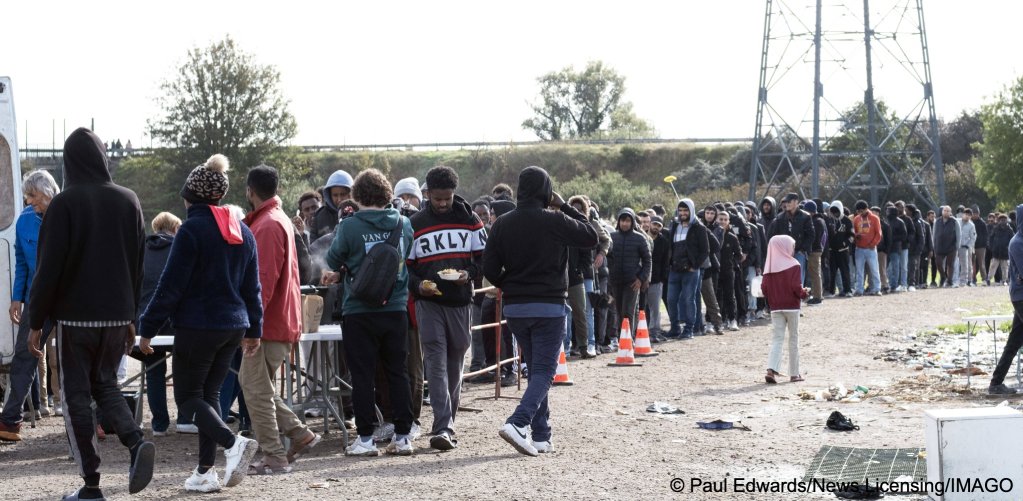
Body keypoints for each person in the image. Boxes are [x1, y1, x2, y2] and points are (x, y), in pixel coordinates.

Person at [25, 128, 155, 500]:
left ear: (69, 162)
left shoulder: (65, 204)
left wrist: (37, 322)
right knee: (107, 385)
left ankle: (91, 484)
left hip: (77, 319)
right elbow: (138, 264)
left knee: (75, 397)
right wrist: (132, 315)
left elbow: (48, 268)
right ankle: (134, 442)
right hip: (117, 317)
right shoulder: (129, 200)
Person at [138, 154, 263, 491]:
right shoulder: (242, 230)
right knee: (209, 397)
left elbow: (170, 287)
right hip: (233, 325)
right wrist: (254, 329)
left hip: (198, 325)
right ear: (219, 196)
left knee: (188, 398)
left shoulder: (191, 229)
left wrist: (146, 329)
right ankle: (205, 472)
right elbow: (253, 286)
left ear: (189, 196)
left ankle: (232, 444)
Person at [484, 166, 597, 456]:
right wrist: (564, 207)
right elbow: (590, 237)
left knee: (536, 369)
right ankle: (518, 422)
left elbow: (489, 270)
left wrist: (512, 283)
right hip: (548, 305)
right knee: (546, 371)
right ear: (546, 190)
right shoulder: (555, 219)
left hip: (517, 307)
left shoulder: (502, 224)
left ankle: (541, 435)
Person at [325, 168, 416, 457]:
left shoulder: (350, 226)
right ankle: (403, 436)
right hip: (396, 308)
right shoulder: (403, 224)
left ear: (357, 196)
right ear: (388, 194)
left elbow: (332, 258)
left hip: (359, 310)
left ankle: (365, 439)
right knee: (397, 372)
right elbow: (407, 256)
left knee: (362, 375)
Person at [236, 165, 320, 474]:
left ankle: (274, 454)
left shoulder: (267, 225)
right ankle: (299, 434)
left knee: (256, 390)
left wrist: (251, 326)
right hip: (277, 322)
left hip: (269, 325)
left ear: (250, 191)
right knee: (258, 385)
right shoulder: (278, 220)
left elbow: (263, 280)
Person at [406, 166, 486, 451]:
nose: (442, 204)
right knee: (435, 362)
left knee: (456, 361)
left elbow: (484, 259)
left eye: (447, 198)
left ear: (453, 193)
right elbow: (407, 270)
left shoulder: (471, 221)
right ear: (427, 194)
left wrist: (469, 274)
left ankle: (447, 421)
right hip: (429, 302)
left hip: (461, 301)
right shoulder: (414, 224)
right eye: (437, 199)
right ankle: (442, 426)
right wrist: (419, 287)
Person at [0, 170, 59, 441]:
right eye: (27, 197)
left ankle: (91, 420)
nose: (29, 202)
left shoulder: (68, 213)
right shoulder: (24, 220)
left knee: (76, 359)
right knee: (25, 356)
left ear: (48, 192)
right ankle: (10, 421)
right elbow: (22, 262)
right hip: (38, 299)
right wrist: (17, 297)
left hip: (70, 299)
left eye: (33, 196)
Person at [132, 211, 196, 437]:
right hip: (177, 325)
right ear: (176, 230)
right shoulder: (180, 250)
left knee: (154, 371)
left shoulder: (140, 252)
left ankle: (159, 424)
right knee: (184, 369)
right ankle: (186, 419)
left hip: (146, 325)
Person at [762, 235, 808, 384]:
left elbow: (764, 288)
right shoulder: (794, 264)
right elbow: (796, 288)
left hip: (775, 308)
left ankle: (771, 370)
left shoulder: (769, 265)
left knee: (777, 339)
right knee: (793, 339)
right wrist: (804, 293)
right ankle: (794, 374)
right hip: (792, 307)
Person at [988, 205, 1023, 395]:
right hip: (1020, 297)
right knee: (1014, 343)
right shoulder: (1017, 243)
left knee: (1013, 343)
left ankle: (996, 383)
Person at [666, 199, 710, 339]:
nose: (683, 213)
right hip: (674, 269)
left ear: (691, 211)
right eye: (681, 210)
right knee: (671, 300)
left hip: (690, 271)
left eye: (686, 210)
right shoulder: (674, 225)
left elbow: (705, 250)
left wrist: (695, 266)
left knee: (689, 299)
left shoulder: (699, 227)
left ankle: (689, 330)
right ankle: (674, 328)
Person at [608, 208, 652, 339]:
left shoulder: (640, 238)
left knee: (628, 311)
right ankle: (621, 339)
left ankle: (628, 339)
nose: (625, 224)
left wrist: (641, 279)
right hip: (616, 281)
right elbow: (608, 257)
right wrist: (611, 273)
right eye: (622, 220)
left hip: (632, 282)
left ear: (632, 222)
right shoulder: (612, 237)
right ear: (619, 221)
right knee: (619, 311)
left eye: (628, 221)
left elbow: (647, 260)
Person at [766, 193, 814, 283]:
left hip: (799, 252)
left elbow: (811, 235)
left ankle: (798, 297)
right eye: (786, 202)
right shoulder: (779, 218)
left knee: (798, 280)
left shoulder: (805, 217)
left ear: (796, 202)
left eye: (789, 201)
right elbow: (773, 236)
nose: (787, 204)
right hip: (783, 254)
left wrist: (802, 249)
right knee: (785, 280)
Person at [310, 169, 354, 241]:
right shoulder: (319, 216)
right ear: (329, 195)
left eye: (342, 194)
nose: (339, 199)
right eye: (335, 195)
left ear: (351, 194)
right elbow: (313, 247)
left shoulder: (360, 212)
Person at [852, 200, 882, 296]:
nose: (860, 213)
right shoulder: (856, 219)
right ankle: (859, 290)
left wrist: (873, 244)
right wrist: (856, 236)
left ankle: (877, 289)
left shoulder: (875, 218)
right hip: (859, 248)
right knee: (859, 271)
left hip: (871, 249)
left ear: (866, 209)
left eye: (861, 211)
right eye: (858, 211)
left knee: (874, 269)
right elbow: (854, 232)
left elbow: (879, 233)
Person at [932, 206, 961, 287]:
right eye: (945, 210)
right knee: (938, 263)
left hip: (951, 247)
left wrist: (957, 247)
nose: (946, 212)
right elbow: (934, 234)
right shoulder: (937, 221)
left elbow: (959, 235)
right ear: (942, 211)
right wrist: (934, 245)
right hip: (939, 247)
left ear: (950, 212)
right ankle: (943, 276)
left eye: (948, 211)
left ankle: (950, 281)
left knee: (950, 264)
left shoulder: (954, 221)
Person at [989, 213, 1013, 285]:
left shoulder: (1009, 229)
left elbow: (1012, 240)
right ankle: (988, 279)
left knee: (1005, 267)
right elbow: (991, 238)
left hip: (1005, 252)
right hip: (996, 251)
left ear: (1006, 220)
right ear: (999, 220)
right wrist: (992, 247)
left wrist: (1009, 248)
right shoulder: (995, 228)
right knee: (993, 266)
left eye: (1004, 220)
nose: (1003, 221)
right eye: (1001, 220)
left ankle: (1004, 280)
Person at [958, 208, 977, 287]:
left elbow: (973, 237)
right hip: (956, 246)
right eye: (966, 214)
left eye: (969, 215)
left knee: (967, 265)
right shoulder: (957, 222)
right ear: (963, 214)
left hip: (966, 247)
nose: (967, 216)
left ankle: (966, 280)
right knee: (955, 264)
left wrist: (968, 246)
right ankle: (954, 279)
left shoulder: (971, 225)